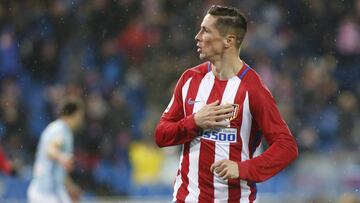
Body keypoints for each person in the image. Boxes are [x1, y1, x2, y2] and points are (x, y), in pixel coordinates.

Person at [155, 5, 298, 203]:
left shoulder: (252, 89)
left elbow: (286, 147)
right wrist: (194, 122)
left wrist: (242, 169)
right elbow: (161, 135)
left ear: (228, 41)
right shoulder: (190, 79)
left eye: (205, 30)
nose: (197, 36)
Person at [27, 99, 84, 203]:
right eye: (80, 115)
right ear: (74, 114)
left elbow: (58, 171)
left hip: (43, 189)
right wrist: (62, 157)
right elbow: (50, 149)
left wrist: (71, 187)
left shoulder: (57, 128)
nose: (81, 119)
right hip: (46, 192)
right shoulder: (61, 130)